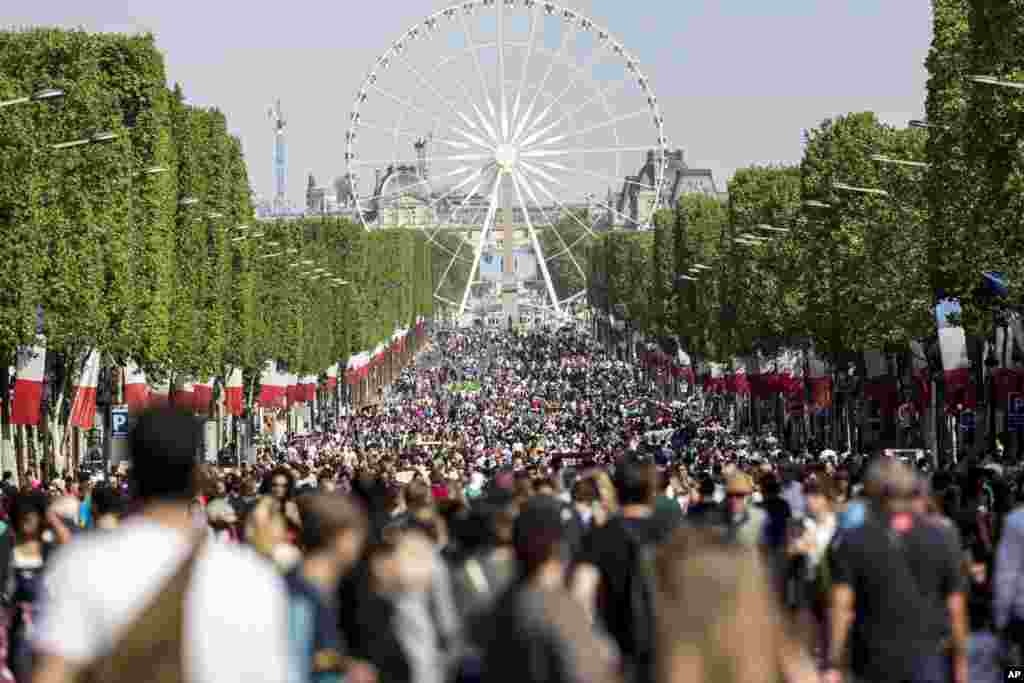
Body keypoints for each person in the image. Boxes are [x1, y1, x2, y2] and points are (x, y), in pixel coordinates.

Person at [31, 407, 292, 683]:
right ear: (197, 475)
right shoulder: (252, 576)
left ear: (132, 474)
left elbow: (52, 674)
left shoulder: (82, 564)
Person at [826, 458, 968, 683]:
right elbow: (956, 606)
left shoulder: (854, 540)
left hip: (874, 662)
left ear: (871, 494)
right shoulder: (944, 536)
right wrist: (961, 663)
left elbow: (841, 605)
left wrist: (833, 663)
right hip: (929, 659)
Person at [287, 493, 375, 683]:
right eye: (357, 534)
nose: (361, 544)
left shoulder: (335, 589)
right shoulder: (297, 598)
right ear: (338, 536)